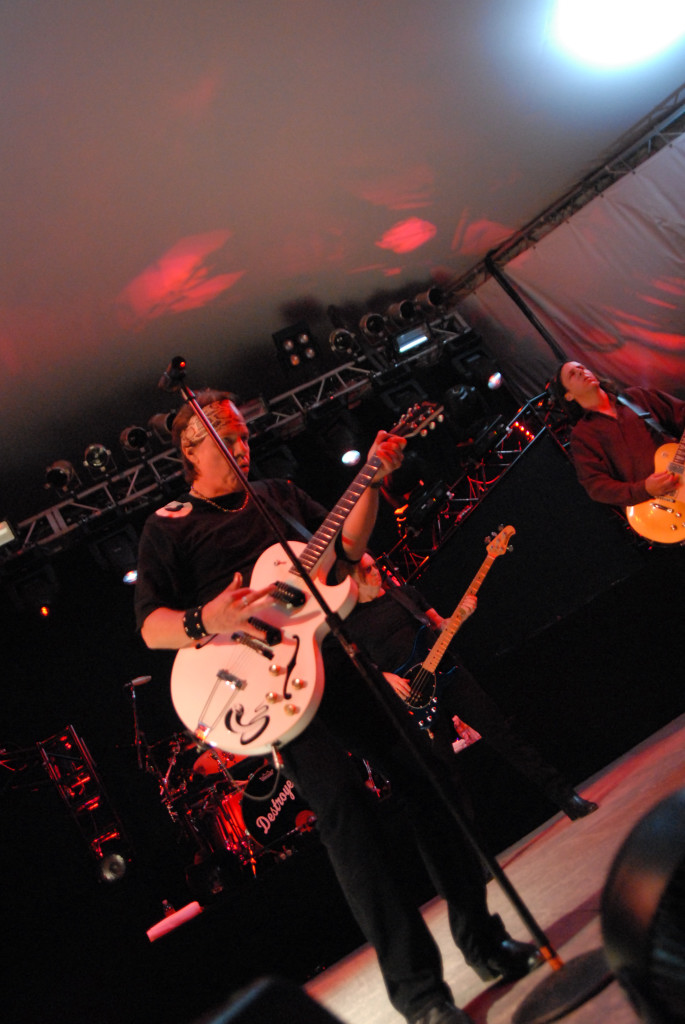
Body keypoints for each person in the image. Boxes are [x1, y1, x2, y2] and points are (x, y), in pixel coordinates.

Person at [134, 389, 542, 1024]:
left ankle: (482, 939)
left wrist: (371, 482)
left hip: (338, 660)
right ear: (189, 448)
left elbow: (346, 548)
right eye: (224, 436)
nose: (241, 443)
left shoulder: (277, 496)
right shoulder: (170, 526)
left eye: (242, 432)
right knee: (347, 814)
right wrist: (207, 618)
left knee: (430, 773)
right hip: (272, 689)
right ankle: (421, 995)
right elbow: (150, 627)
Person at [340, 554, 599, 822]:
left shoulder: (404, 595)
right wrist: (384, 677)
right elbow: (358, 667)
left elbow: (439, 625)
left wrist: (460, 616)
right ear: (352, 579)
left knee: (503, 735)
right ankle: (474, 842)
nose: (376, 571)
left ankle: (567, 797)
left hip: (448, 673)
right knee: (446, 775)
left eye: (375, 565)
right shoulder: (351, 623)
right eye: (367, 569)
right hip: (415, 699)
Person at [550, 361, 685, 507]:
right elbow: (597, 486)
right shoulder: (582, 436)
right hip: (655, 507)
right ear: (568, 396)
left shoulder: (637, 397)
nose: (581, 372)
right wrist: (644, 489)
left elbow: (680, 413)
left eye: (581, 368)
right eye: (572, 374)